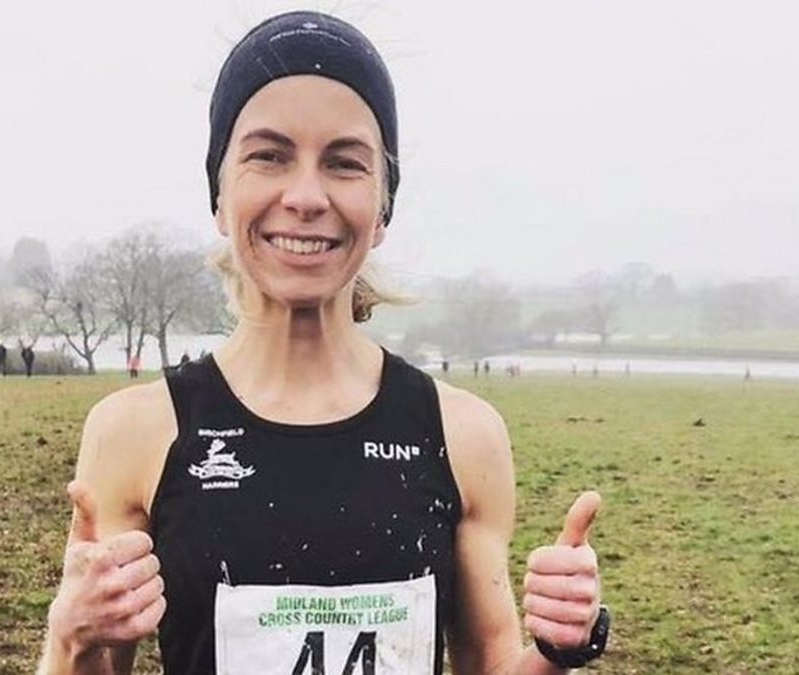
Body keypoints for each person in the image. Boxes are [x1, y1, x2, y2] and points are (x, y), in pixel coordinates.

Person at [39, 11, 607, 675]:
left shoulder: (463, 434)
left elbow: (490, 663)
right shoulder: (135, 432)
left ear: (383, 207)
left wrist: (558, 647)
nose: (306, 196)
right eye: (269, 155)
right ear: (219, 195)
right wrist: (72, 639)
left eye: (344, 163)